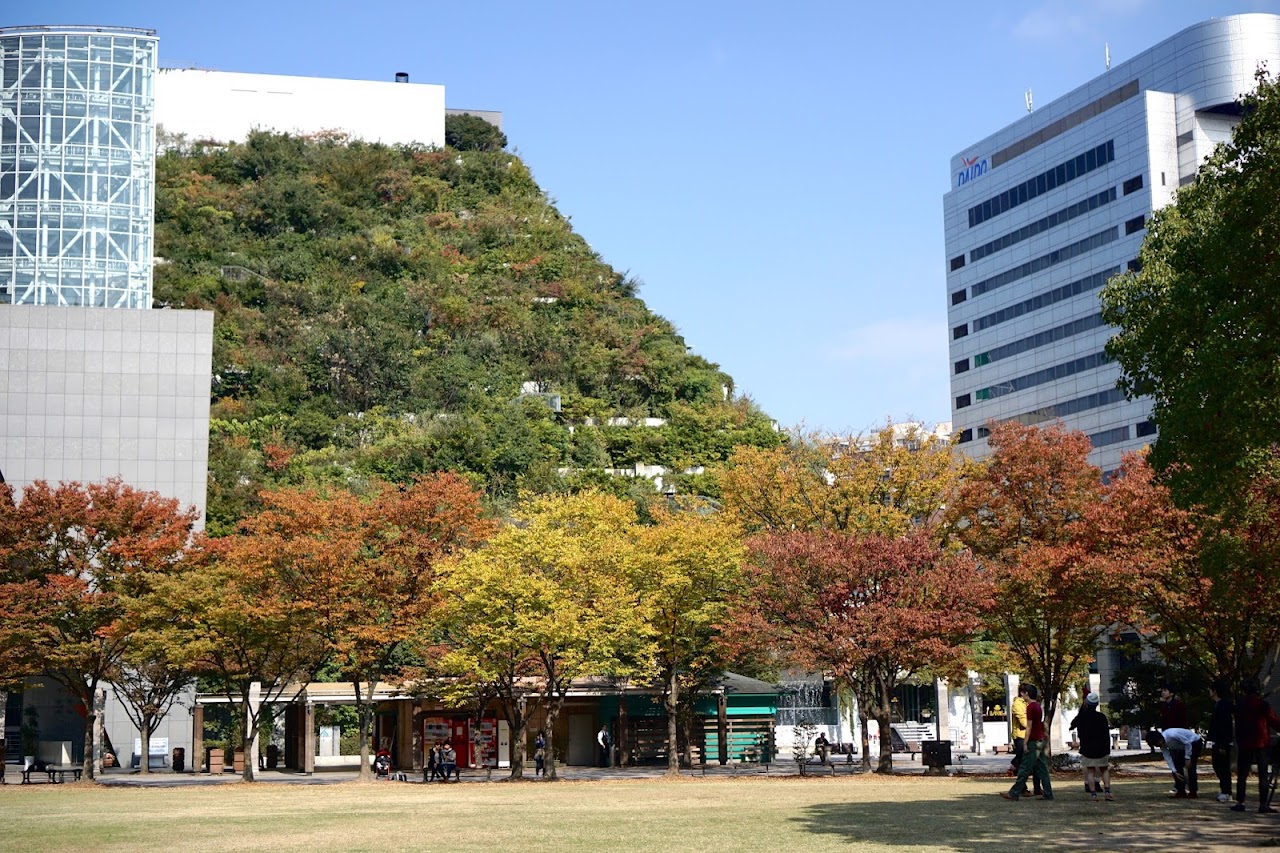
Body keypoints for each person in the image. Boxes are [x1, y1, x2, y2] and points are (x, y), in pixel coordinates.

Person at [1232, 678, 1280, 813]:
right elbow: (1273, 720)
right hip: (1261, 742)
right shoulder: (1263, 705)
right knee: (1263, 774)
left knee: (1242, 774)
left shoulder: (1239, 705)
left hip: (1244, 742)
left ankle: (1240, 802)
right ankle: (1263, 804)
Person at [1001, 684, 1053, 801]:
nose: (1022, 695)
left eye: (1023, 693)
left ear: (1027, 693)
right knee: (1042, 768)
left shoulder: (1030, 707)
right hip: (1040, 740)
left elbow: (1028, 727)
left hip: (1033, 741)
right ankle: (1048, 793)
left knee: (1024, 767)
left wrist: (1025, 743)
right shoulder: (1038, 706)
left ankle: (1014, 793)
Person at [1070, 692, 1112, 801]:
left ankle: (1093, 794)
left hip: (1087, 748)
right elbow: (1106, 734)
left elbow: (1073, 725)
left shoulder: (1082, 717)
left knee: (1090, 771)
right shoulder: (1101, 717)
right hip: (1102, 747)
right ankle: (1107, 791)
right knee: (1104, 769)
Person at [1146, 727, 1202, 799]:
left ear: (1160, 739)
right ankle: (1181, 791)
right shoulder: (1162, 744)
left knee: (1190, 767)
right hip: (1181, 747)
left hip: (1193, 742)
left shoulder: (1172, 735)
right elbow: (1167, 757)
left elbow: (1187, 743)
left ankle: (1193, 792)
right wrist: (1174, 771)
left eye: (1157, 744)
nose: (1158, 746)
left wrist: (1187, 758)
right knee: (1177, 766)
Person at [1008, 684, 1043, 796]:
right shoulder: (1017, 704)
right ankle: (1022, 789)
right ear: (1023, 693)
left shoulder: (1031, 704)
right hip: (1021, 737)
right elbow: (1025, 723)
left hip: (1032, 737)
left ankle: (1037, 788)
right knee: (1023, 765)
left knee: (1036, 764)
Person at [1207, 680, 1235, 803]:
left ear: (1215, 691)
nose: (1209, 691)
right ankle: (1225, 790)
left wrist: (1223, 744)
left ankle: (1226, 792)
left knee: (1222, 767)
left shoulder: (1223, 705)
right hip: (1219, 741)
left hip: (1222, 742)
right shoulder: (1218, 705)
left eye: (1210, 689)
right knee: (1218, 766)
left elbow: (1225, 726)